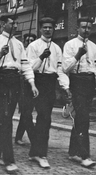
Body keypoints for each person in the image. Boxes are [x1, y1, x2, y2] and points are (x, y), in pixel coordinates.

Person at [0, 13, 38, 173]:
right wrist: (0, 54)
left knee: (6, 118)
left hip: (15, 80)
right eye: (12, 23)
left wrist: (32, 83)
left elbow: (25, 64)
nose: (15, 26)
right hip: (0, 80)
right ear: (3, 25)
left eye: (16, 23)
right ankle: (9, 159)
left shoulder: (19, 44)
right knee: (5, 119)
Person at [26, 17, 71, 169]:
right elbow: (29, 67)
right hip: (36, 81)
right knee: (39, 118)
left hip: (50, 83)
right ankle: (39, 153)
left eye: (50, 28)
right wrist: (41, 57)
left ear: (53, 29)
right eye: (44, 27)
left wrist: (65, 86)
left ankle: (37, 153)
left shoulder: (57, 48)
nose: (47, 30)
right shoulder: (33, 46)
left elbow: (59, 69)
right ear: (40, 29)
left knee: (44, 118)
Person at [62, 16, 96, 168]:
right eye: (83, 27)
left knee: (81, 117)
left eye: (89, 28)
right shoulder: (70, 45)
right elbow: (65, 68)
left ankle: (73, 152)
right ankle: (84, 155)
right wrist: (78, 55)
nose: (86, 30)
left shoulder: (94, 46)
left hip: (89, 82)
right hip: (77, 81)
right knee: (83, 118)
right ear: (77, 28)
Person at [15, 32, 37, 146]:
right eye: (28, 40)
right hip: (22, 86)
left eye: (32, 40)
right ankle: (34, 138)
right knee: (26, 112)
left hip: (33, 84)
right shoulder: (21, 52)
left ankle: (18, 137)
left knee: (26, 113)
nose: (30, 42)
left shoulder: (35, 52)